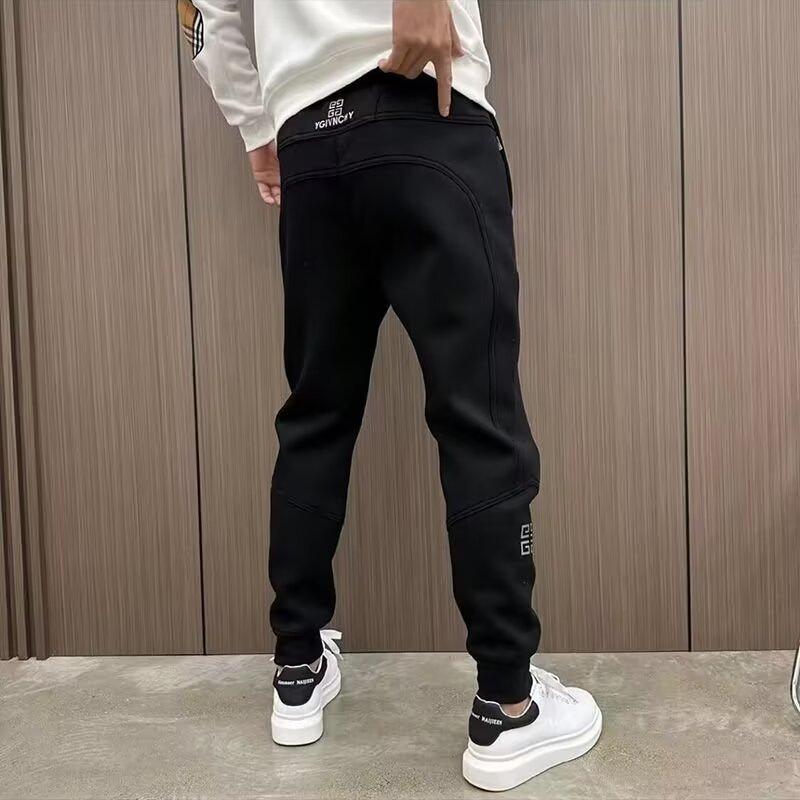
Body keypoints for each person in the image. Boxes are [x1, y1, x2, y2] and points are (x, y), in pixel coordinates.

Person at [179, 0, 602, 790]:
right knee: (477, 416)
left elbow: (204, 10)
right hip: (423, 106)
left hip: (309, 139)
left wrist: (256, 126)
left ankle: (297, 668)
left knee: (315, 413)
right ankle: (509, 706)